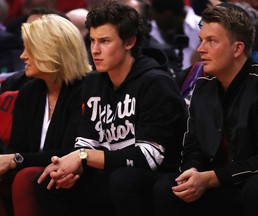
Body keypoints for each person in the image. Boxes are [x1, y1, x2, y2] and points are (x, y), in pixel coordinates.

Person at [35, 1, 188, 216]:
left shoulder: (156, 83)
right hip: (113, 171)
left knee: (122, 178)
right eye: (92, 41)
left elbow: (149, 157)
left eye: (105, 41)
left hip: (159, 176)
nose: (95, 50)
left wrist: (83, 156)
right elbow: (86, 141)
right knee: (48, 181)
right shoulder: (93, 83)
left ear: (129, 42)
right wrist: (72, 170)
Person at [153, 3, 258, 216]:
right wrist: (193, 172)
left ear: (237, 48)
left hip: (255, 181)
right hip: (215, 182)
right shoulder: (203, 86)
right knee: (168, 188)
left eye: (211, 41)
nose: (200, 49)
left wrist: (210, 178)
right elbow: (193, 146)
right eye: (201, 40)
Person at [0, 14, 91, 216]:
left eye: (29, 49)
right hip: (35, 176)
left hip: (76, 180)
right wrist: (13, 158)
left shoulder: (88, 90)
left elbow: (69, 153)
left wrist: (16, 159)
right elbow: (16, 147)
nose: (22, 56)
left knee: (27, 176)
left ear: (52, 51)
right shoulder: (29, 91)